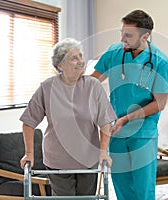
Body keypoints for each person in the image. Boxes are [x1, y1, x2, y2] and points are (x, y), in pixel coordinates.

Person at [91, 10, 168, 200]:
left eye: (128, 35)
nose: (122, 39)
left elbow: (160, 103)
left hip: (143, 132)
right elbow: (92, 83)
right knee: (121, 187)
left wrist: (127, 118)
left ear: (145, 36)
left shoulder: (161, 62)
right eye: (121, 33)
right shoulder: (114, 53)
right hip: (116, 131)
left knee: (143, 189)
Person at [20, 38, 117, 196]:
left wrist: (103, 151)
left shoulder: (93, 86)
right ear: (60, 65)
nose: (80, 61)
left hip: (88, 159)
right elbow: (28, 122)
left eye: (80, 56)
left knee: (87, 198)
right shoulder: (47, 88)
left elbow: (105, 122)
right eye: (74, 58)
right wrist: (29, 153)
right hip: (58, 160)